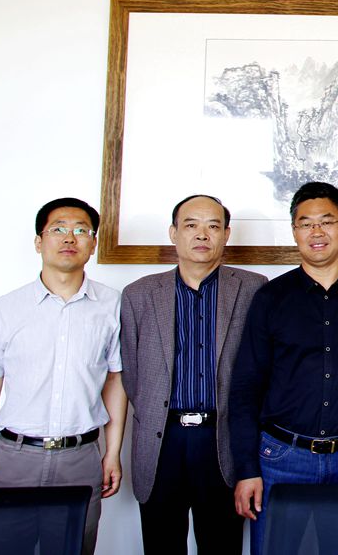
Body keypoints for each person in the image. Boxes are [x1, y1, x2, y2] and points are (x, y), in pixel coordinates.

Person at [229, 181, 338, 555]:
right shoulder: (271, 297)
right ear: (294, 231)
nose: (317, 232)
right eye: (306, 223)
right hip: (282, 459)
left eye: (327, 221)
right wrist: (247, 469)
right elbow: (246, 385)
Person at [0, 197, 126, 555]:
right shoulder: (5, 310)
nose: (70, 237)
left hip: (80, 459)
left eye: (81, 230)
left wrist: (112, 453)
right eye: (58, 229)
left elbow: (115, 382)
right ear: (39, 242)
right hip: (13, 460)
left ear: (93, 244)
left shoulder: (113, 306)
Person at [120, 194, 268, 555]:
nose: (202, 234)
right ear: (174, 233)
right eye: (191, 225)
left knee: (222, 545)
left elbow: (262, 368)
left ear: (226, 234)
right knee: (161, 545)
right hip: (162, 440)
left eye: (213, 226)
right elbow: (132, 376)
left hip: (223, 438)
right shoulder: (139, 294)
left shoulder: (254, 288)